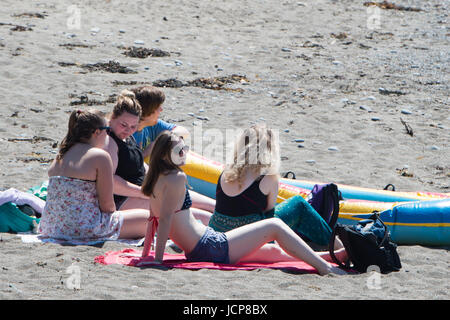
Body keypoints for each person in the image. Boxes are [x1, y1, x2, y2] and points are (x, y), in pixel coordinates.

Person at [140, 130, 347, 275]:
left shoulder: (156, 179)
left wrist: (145, 254)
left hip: (207, 241)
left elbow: (153, 219)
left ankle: (329, 257)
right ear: (165, 155)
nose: (185, 153)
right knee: (274, 225)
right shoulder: (177, 178)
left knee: (271, 252)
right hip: (208, 246)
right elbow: (164, 219)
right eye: (179, 150)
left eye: (185, 148)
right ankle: (325, 267)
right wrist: (157, 259)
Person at [208, 124, 343, 249]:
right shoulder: (268, 177)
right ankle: (338, 247)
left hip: (218, 232)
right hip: (248, 236)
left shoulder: (226, 172)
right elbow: (269, 216)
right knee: (298, 204)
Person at [38, 109, 150, 240]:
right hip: (83, 228)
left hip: (51, 227)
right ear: (97, 132)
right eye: (107, 130)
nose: (108, 135)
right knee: (148, 219)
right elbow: (107, 206)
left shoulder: (62, 154)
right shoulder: (100, 156)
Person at [103, 90, 213, 223]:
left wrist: (158, 181)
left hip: (145, 189)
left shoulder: (127, 137)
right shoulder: (109, 142)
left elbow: (139, 165)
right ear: (113, 117)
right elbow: (109, 182)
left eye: (133, 126)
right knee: (199, 215)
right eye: (123, 125)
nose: (128, 130)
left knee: (212, 205)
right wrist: (144, 192)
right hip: (124, 199)